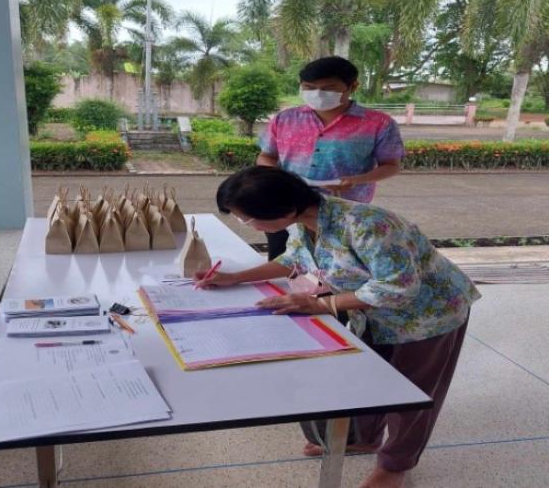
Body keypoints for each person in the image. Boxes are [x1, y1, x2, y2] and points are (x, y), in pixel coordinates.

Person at [197, 166, 480, 488]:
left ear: (283, 210)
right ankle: (364, 439)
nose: (246, 224)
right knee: (370, 379)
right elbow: (293, 260)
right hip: (371, 313)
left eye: (246, 219)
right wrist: (235, 278)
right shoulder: (305, 221)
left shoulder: (368, 225)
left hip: (427, 316)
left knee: (412, 393)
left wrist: (322, 304)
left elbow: (399, 288)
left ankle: (395, 466)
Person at [257, 56, 404, 260]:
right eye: (309, 87)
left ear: (353, 86)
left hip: (344, 210)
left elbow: (391, 165)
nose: (318, 94)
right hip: (287, 206)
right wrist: (282, 178)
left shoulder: (379, 123)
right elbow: (265, 156)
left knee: (337, 266)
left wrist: (357, 180)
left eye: (329, 88)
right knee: (282, 261)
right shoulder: (285, 118)